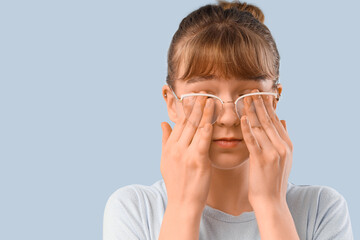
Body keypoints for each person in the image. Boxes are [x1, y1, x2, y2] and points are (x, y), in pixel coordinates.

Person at [103, 1, 353, 239]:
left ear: (274, 100)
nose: (229, 117)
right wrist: (183, 206)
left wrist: (271, 204)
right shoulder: (135, 209)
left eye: (248, 95)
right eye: (204, 95)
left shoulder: (321, 208)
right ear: (171, 102)